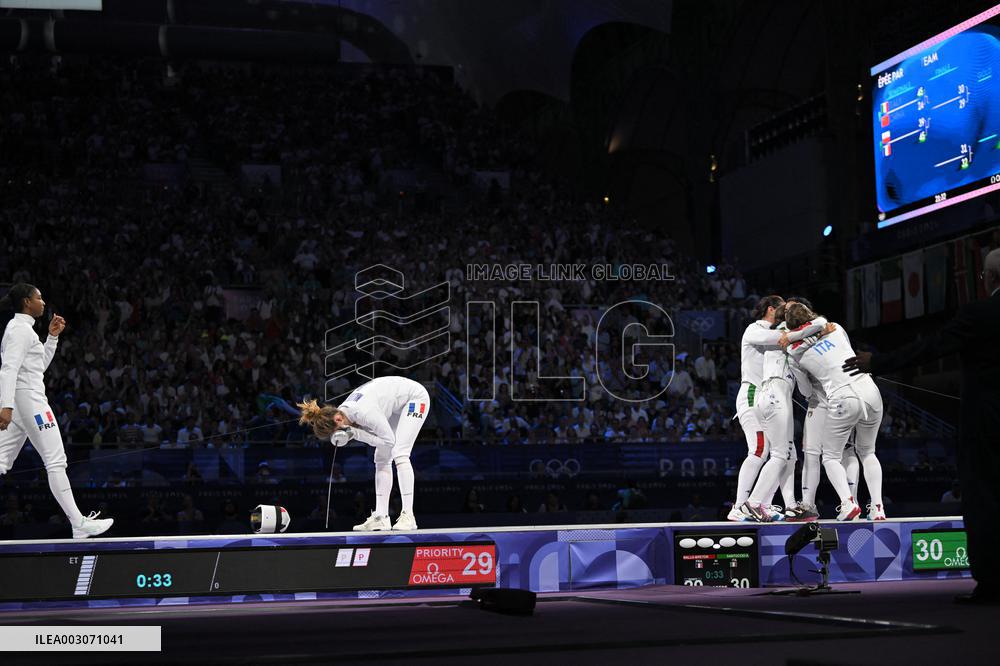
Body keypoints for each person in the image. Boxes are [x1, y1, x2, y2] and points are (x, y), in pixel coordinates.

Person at [843, 247, 1000, 604]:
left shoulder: (979, 313)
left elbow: (931, 347)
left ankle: (992, 584)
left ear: (989, 278)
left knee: (985, 501)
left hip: (986, 425)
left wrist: (877, 362)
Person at [0, 284, 113, 538]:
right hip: (30, 402)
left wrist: (52, 339)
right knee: (55, 460)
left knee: (1, 461)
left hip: (23, 402)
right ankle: (79, 523)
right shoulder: (19, 330)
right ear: (27, 302)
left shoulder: (22, 330)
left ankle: (78, 523)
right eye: (39, 298)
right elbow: (8, 369)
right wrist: (4, 406)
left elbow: (37, 367)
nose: (43, 301)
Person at [784, 303, 884, 521]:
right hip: (870, 391)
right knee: (867, 452)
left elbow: (806, 390)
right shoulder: (835, 327)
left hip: (842, 398)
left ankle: (848, 504)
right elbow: (823, 327)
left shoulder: (793, 351)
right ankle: (878, 509)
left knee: (830, 456)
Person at [728, 295, 819, 521]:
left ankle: (775, 505)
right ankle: (739, 507)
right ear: (771, 309)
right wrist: (809, 327)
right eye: (782, 310)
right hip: (752, 393)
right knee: (759, 450)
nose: (785, 315)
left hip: (768, 397)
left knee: (786, 452)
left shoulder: (781, 334)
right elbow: (783, 337)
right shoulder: (755, 329)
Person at [298, 375, 430, 531]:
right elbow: (379, 440)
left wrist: (356, 433)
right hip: (395, 404)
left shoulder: (364, 412)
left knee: (400, 453)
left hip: (415, 398)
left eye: (339, 431)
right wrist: (353, 432)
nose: (343, 434)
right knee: (381, 458)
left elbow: (389, 441)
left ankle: (408, 516)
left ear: (339, 419)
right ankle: (381, 517)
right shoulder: (342, 412)